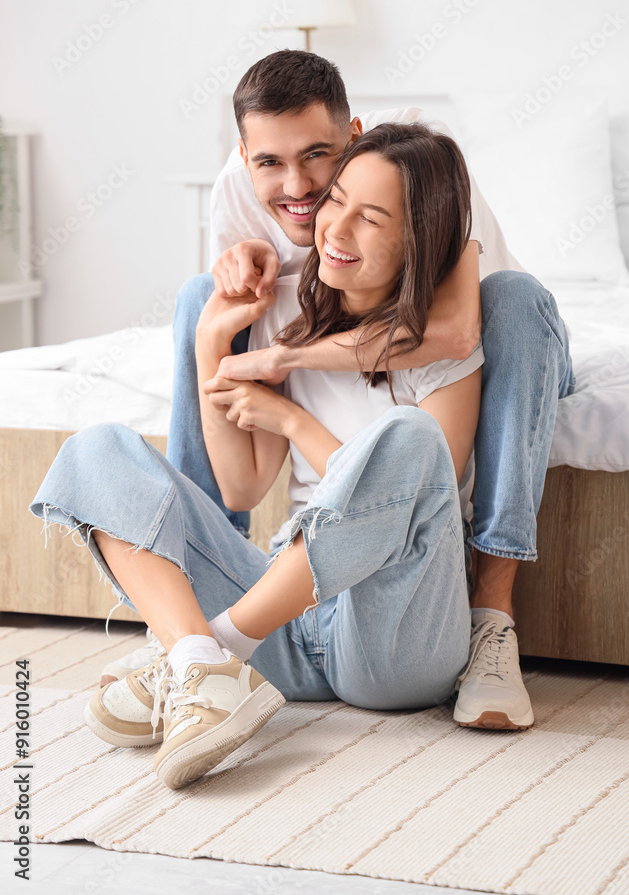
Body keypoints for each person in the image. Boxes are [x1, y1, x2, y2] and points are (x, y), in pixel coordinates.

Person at [102, 50, 575, 729]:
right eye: (268, 162)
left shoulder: (419, 165)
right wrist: (223, 343)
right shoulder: (240, 190)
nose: (296, 186)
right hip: (332, 373)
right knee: (196, 299)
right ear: (243, 156)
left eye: (318, 158)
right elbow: (243, 458)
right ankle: (189, 621)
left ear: (351, 137)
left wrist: (283, 364)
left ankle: (490, 618)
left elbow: (453, 334)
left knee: (515, 304)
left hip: (495, 341)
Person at [31, 122, 488, 791]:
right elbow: (241, 488)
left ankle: (214, 652)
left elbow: (411, 503)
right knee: (95, 450)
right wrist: (210, 346)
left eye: (371, 217)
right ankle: (199, 660)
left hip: (394, 639)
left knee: (409, 438)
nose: (334, 228)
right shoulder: (288, 316)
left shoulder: (447, 352)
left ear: (417, 236)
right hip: (286, 617)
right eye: (336, 201)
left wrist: (291, 418)